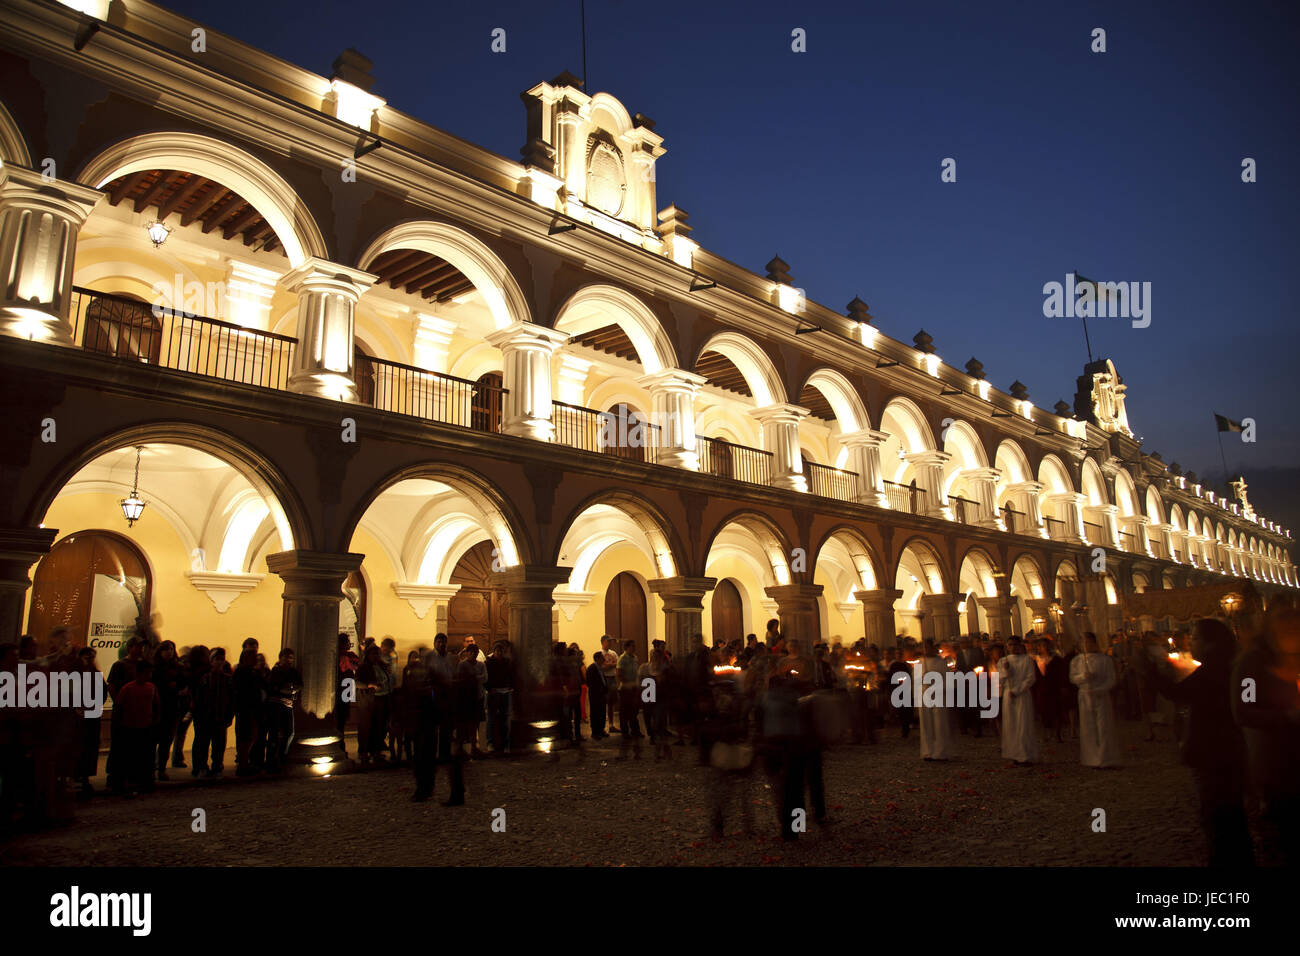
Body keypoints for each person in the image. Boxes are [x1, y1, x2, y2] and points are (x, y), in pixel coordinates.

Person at [1132, 618, 1253, 867]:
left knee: (1219, 815)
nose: (1191, 642)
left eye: (1195, 638)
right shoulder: (1224, 665)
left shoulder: (1214, 669)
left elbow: (1179, 692)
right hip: (1227, 750)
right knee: (1229, 814)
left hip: (1214, 752)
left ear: (1211, 642)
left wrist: (1150, 670)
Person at [1231, 604, 1300, 866]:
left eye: (1296, 618)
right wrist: (1287, 717)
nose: (1292, 625)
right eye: (1284, 618)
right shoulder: (1253, 665)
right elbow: (1245, 711)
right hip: (1276, 761)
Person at [413, 633, 465, 805]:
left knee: (446, 751)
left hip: (446, 709)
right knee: (428, 752)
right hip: (432, 710)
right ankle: (426, 789)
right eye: (439, 641)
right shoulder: (428, 660)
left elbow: (455, 681)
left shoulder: (452, 660)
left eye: (444, 641)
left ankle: (454, 792)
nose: (441, 644)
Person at [1069, 632, 1120, 768]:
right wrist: (1083, 677)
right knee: (1088, 726)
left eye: (1089, 643)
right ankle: (1091, 757)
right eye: (1084, 643)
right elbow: (1073, 677)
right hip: (1085, 695)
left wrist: (1100, 689)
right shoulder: (1077, 660)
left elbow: (1111, 679)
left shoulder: (1105, 660)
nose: (1087, 646)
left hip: (1100, 695)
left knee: (1103, 726)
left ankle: (1105, 757)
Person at [115, 659, 161, 794]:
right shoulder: (128, 688)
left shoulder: (151, 688)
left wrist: (155, 721)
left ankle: (143, 781)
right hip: (130, 726)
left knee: (144, 756)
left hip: (145, 726)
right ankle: (131, 781)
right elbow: (119, 706)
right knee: (132, 756)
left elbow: (157, 706)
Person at [997, 637, 1039, 765]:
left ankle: (1024, 753)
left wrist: (1018, 690)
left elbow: (1030, 678)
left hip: (1022, 695)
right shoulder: (1003, 661)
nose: (1013, 647)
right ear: (1007, 646)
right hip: (1008, 694)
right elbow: (999, 678)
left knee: (1023, 724)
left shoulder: (1027, 660)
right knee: (1011, 724)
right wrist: (1006, 671)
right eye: (1010, 645)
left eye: (1015, 645)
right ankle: (1013, 753)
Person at [193, 650, 234, 777]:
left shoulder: (227, 679)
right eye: (217, 659)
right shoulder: (204, 678)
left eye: (221, 659)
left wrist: (229, 715)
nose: (219, 662)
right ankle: (202, 766)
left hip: (220, 716)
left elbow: (231, 699)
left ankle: (217, 766)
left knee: (219, 744)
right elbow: (199, 698)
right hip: (206, 716)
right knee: (204, 743)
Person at [150, 640, 183, 781]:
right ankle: (150, 769)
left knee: (166, 740)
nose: (169, 652)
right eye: (166, 649)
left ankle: (161, 768)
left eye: (171, 649)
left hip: (172, 707)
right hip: (157, 707)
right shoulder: (154, 667)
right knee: (152, 740)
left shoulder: (177, 667)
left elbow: (183, 683)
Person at [265, 647, 301, 771]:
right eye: (286, 657)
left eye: (290, 657)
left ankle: (282, 756)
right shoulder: (275, 671)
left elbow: (299, 685)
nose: (288, 660)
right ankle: (271, 760)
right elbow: (275, 687)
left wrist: (292, 689)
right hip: (276, 705)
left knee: (290, 732)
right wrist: (285, 689)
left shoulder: (293, 672)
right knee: (274, 733)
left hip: (288, 705)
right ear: (280, 658)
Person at [232, 648, 267, 775]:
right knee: (245, 738)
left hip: (254, 709)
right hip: (246, 710)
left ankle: (246, 762)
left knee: (252, 736)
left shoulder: (253, 672)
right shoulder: (242, 672)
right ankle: (242, 764)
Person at [917, 640, 952, 760]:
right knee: (926, 724)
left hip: (938, 694)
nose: (926, 650)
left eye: (928, 647)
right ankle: (928, 751)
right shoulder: (921, 662)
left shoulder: (940, 662)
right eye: (924, 648)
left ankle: (940, 751)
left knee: (939, 723)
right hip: (924, 695)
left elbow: (947, 679)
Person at [485, 641, 515, 753]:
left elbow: (510, 675)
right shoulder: (488, 663)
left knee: (505, 718)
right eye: (498, 651)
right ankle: (490, 742)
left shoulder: (507, 662)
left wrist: (511, 686)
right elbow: (486, 677)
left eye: (501, 651)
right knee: (491, 718)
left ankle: (505, 743)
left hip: (505, 692)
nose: (499, 653)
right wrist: (489, 688)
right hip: (493, 693)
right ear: (494, 651)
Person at [616, 640, 642, 759]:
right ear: (627, 647)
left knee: (634, 710)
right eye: (632, 646)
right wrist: (625, 682)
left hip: (634, 687)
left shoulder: (635, 658)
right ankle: (625, 731)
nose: (634, 648)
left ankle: (635, 730)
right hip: (626, 688)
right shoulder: (622, 659)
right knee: (625, 711)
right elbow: (619, 673)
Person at [336, 634, 359, 757]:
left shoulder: (350, 656)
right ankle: (340, 745)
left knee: (344, 717)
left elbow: (355, 666)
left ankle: (341, 745)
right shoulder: (339, 656)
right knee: (339, 719)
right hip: (342, 688)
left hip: (347, 687)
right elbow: (346, 669)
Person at [585, 649, 608, 739]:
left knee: (602, 712)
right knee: (595, 712)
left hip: (601, 694)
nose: (604, 659)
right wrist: (598, 690)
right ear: (598, 658)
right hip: (595, 694)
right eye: (602, 657)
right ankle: (595, 732)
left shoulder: (600, 668)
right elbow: (590, 682)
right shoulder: (592, 668)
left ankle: (601, 729)